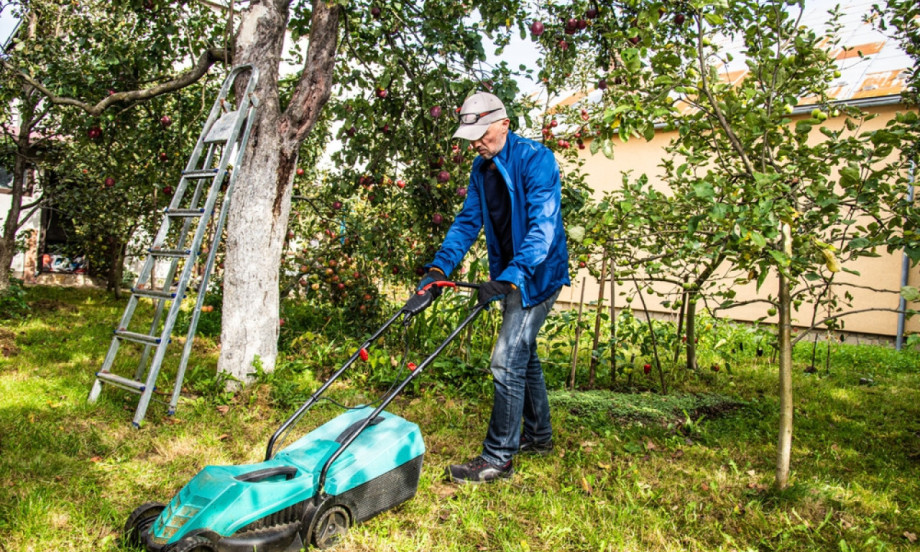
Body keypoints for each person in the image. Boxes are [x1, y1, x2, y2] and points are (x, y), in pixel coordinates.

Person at [417, 91, 570, 484]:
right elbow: (468, 222)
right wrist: (439, 267)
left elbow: (544, 227)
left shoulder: (537, 160)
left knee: (505, 358)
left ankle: (499, 458)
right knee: (523, 352)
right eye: (471, 136)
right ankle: (538, 436)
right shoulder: (480, 169)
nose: (476, 142)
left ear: (504, 122)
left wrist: (509, 278)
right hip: (510, 272)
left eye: (482, 132)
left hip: (538, 273)